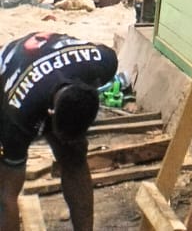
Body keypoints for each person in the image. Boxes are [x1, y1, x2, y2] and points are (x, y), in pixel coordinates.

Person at [0, 32, 117, 231]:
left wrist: (72, 140)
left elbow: (103, 50)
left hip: (52, 67)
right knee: (5, 187)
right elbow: (6, 198)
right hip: (10, 74)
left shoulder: (104, 63)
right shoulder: (17, 116)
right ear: (50, 113)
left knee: (75, 156)